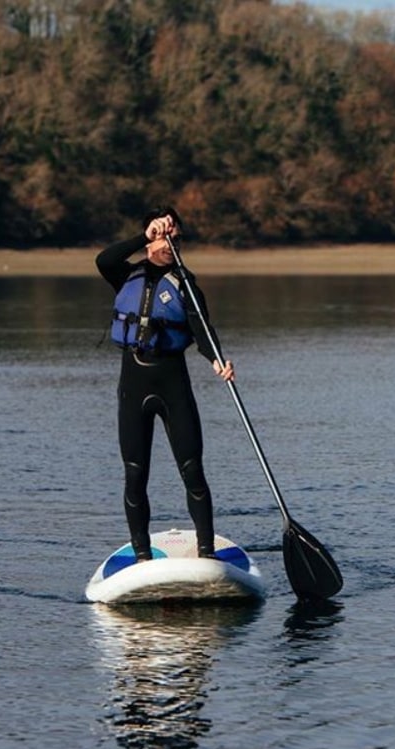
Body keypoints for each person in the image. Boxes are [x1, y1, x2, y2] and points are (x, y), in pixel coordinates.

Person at [96, 206, 235, 562]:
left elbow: (203, 331)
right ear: (148, 238)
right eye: (160, 234)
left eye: (173, 235)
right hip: (134, 385)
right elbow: (103, 259)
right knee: (135, 474)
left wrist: (218, 360)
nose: (167, 241)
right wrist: (145, 235)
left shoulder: (186, 285)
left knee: (192, 470)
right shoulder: (125, 274)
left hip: (173, 383)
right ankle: (143, 556)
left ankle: (207, 555)